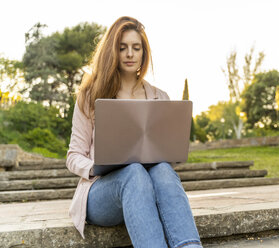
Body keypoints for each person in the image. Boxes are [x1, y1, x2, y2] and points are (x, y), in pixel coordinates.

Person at [66, 16, 203, 248]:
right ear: (113, 52)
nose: (130, 54)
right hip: (101, 194)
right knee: (134, 172)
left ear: (143, 53)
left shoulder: (160, 98)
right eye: (122, 48)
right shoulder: (90, 96)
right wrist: (94, 166)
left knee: (161, 169)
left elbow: (167, 155)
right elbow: (73, 156)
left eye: (136, 48)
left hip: (148, 188)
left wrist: (169, 154)